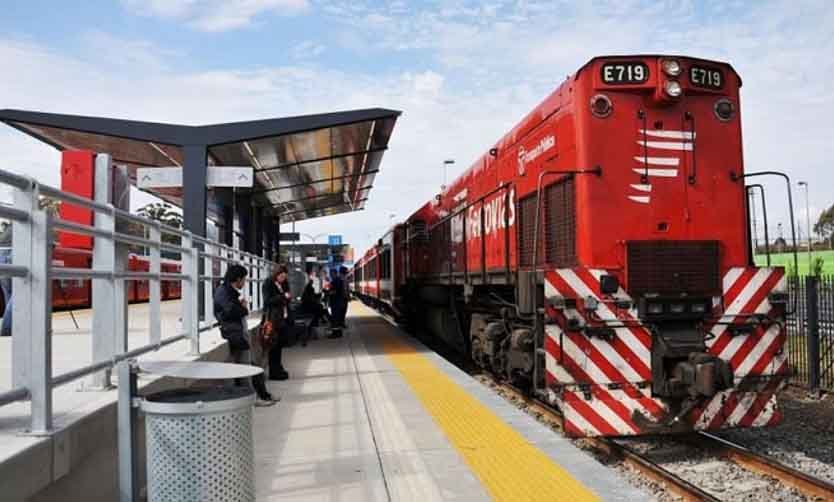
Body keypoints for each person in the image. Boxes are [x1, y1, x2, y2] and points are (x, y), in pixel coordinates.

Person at [213, 264, 277, 406]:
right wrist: (243, 308)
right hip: (234, 333)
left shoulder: (227, 291)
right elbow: (229, 312)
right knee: (246, 370)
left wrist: (239, 306)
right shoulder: (223, 292)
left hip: (237, 333)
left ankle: (263, 396)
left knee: (252, 368)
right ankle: (253, 400)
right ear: (238, 279)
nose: (245, 282)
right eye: (244, 279)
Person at [263, 264, 290, 380]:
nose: (283, 279)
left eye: (284, 277)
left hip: (281, 318)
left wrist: (287, 297)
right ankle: (274, 371)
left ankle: (278, 368)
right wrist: (283, 296)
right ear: (276, 274)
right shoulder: (268, 283)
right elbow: (267, 300)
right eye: (282, 277)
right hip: (272, 319)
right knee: (273, 346)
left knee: (279, 345)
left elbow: (286, 296)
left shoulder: (283, 284)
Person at [328, 266, 349, 338]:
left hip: (336, 302)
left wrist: (328, 292)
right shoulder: (339, 280)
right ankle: (339, 333)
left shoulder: (335, 281)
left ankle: (335, 334)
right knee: (338, 318)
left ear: (334, 273)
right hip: (339, 302)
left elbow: (334, 292)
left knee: (335, 318)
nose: (330, 275)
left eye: (331, 274)